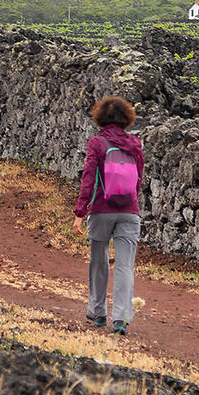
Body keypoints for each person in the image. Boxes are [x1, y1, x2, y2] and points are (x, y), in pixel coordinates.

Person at [74, 96, 145, 333]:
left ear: (100, 117)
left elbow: (89, 179)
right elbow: (138, 181)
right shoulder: (135, 144)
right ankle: (121, 319)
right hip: (129, 211)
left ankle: (97, 312)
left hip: (101, 210)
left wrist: (80, 211)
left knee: (99, 261)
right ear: (127, 118)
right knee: (125, 265)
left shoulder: (97, 143)